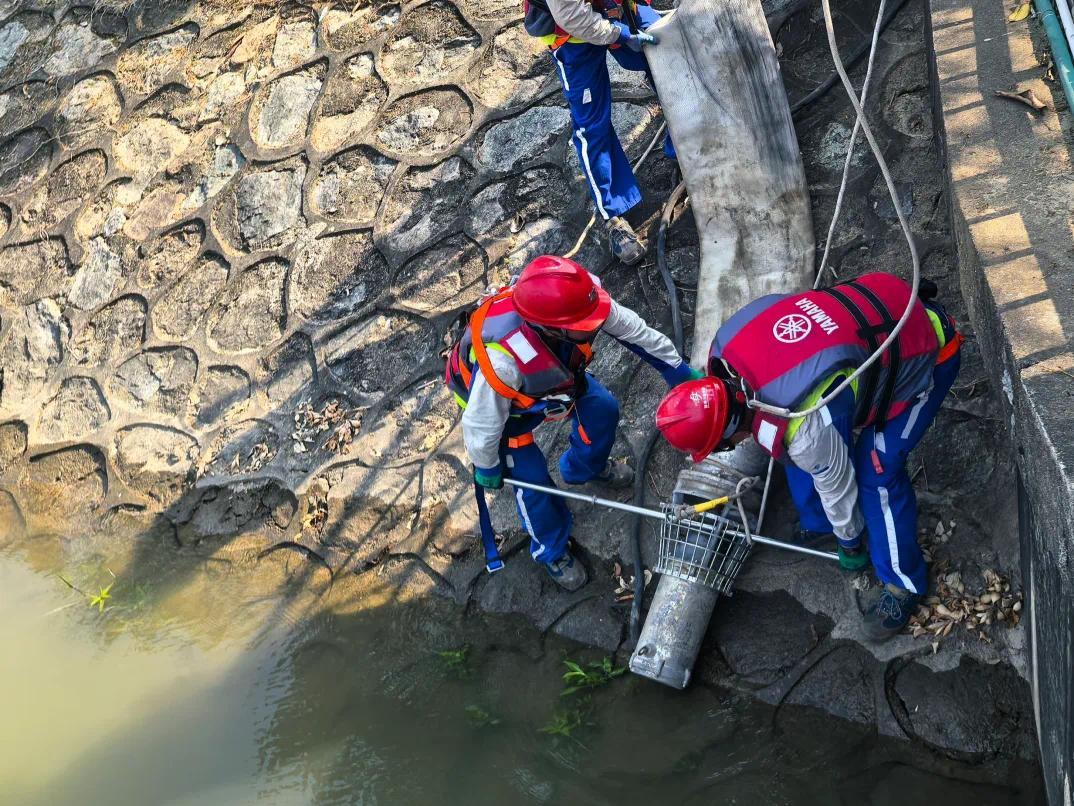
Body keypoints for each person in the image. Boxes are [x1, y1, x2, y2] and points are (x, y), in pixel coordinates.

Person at [655, 273, 963, 640]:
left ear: (726, 430)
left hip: (925, 352)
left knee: (877, 471)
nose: (729, 449)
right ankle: (818, 525)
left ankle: (903, 584)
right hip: (880, 315)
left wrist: (850, 545)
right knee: (785, 443)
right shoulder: (725, 347)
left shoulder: (804, 426)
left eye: (722, 445)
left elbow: (839, 487)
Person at [445, 255, 699, 590]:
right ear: (547, 327)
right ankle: (551, 550)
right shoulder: (502, 362)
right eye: (585, 326)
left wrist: (677, 370)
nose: (596, 326)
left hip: (557, 381)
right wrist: (487, 465)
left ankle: (584, 469)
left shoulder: (581, 297)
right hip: (508, 415)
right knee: (532, 484)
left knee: (603, 410)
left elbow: (634, 331)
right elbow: (480, 423)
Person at [522, 0, 672, 265]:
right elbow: (571, 14)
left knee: (670, 55)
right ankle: (613, 213)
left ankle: (684, 146)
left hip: (618, 7)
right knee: (592, 125)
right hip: (572, 36)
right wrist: (618, 34)